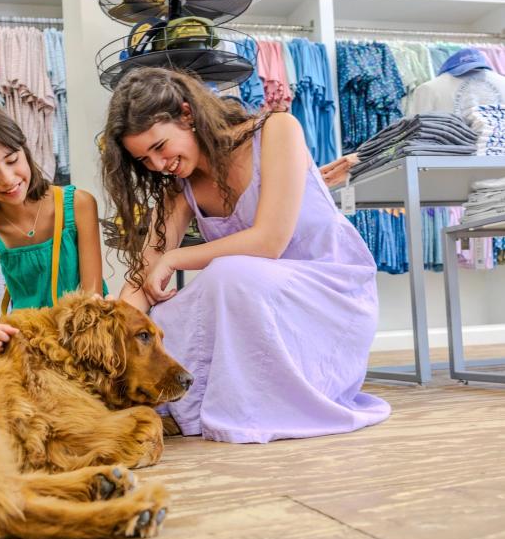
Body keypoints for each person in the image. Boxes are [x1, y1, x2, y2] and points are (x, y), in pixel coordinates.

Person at [101, 67, 390, 443]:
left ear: (187, 115)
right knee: (166, 317)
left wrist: (172, 260)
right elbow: (143, 273)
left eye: (159, 147)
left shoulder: (276, 130)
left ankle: (243, 409)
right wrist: (113, 325)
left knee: (229, 274)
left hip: (330, 294)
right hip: (262, 300)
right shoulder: (178, 188)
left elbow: (269, 241)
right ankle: (164, 411)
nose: (158, 165)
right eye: (144, 160)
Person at [0, 102, 107, 358]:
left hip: (85, 345)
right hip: (31, 350)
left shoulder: (79, 206)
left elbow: (92, 300)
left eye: (12, 160)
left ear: (25, 149)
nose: (8, 178)